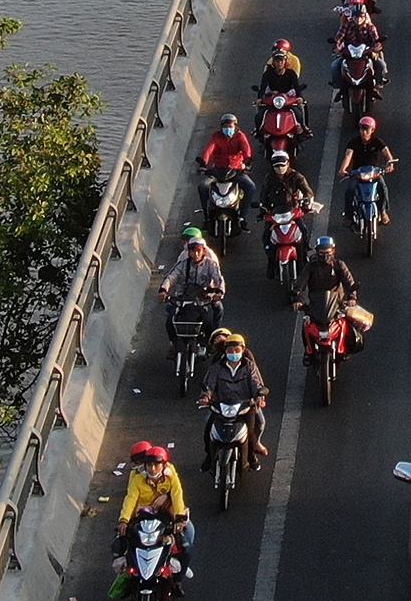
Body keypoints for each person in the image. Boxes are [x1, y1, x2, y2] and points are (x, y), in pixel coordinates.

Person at [117, 442, 194, 577]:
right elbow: (130, 499)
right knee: (122, 541)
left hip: (164, 514)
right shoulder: (137, 478)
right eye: (148, 464)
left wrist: (179, 518)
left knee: (187, 536)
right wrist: (124, 520)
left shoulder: (170, 474)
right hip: (143, 515)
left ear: (163, 465)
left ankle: (180, 569)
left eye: (156, 465)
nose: (152, 469)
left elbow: (177, 494)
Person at [196, 332, 268, 470]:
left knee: (251, 432)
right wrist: (205, 397)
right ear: (225, 351)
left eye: (237, 350)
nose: (234, 353)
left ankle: (251, 458)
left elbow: (256, 384)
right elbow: (209, 385)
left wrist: (259, 397)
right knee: (208, 430)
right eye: (230, 351)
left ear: (243, 350)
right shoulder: (216, 368)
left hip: (245, 406)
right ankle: (209, 457)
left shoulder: (249, 367)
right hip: (222, 405)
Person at [294, 236, 361, 359]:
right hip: (316, 305)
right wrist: (298, 299)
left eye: (328, 253)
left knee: (351, 325)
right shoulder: (311, 267)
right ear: (317, 252)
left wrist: (352, 297)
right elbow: (300, 284)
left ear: (333, 251)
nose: (325, 256)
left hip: (336, 304)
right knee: (306, 326)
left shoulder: (339, 265)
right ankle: (309, 351)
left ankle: (345, 349)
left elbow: (350, 283)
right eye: (322, 253)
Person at [195, 114, 258, 229]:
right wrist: (203, 163)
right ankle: (207, 217)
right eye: (225, 126)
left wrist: (247, 161)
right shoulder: (216, 136)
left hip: (236, 170)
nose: (227, 129)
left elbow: (246, 150)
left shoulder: (240, 137)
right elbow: (209, 149)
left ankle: (242, 217)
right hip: (218, 171)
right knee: (202, 187)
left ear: (235, 126)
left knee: (251, 187)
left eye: (230, 126)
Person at [160, 229, 226, 339]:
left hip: (204, 296)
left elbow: (218, 278)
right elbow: (171, 276)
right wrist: (163, 290)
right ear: (188, 252)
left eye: (198, 251)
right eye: (192, 251)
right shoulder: (183, 263)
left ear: (203, 251)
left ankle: (214, 336)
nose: (195, 254)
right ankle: (174, 344)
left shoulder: (211, 263)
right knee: (170, 318)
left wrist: (219, 292)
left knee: (218, 309)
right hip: (184, 295)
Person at [336, 115, 396, 224]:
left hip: (374, 172)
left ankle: (383, 212)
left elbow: (386, 152)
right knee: (350, 190)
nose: (363, 132)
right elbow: (348, 155)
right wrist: (343, 169)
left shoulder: (377, 141)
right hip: (357, 173)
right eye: (361, 129)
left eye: (366, 129)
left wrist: (390, 163)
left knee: (383, 188)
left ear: (372, 130)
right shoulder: (354, 142)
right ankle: (348, 216)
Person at [262, 149, 316, 213]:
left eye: (282, 165)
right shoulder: (269, 178)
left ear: (288, 164)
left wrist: (307, 200)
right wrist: (263, 209)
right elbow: (263, 195)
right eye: (277, 166)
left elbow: (307, 191)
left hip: (293, 209)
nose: (280, 168)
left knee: (301, 223)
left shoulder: (296, 176)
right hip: (275, 210)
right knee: (268, 223)